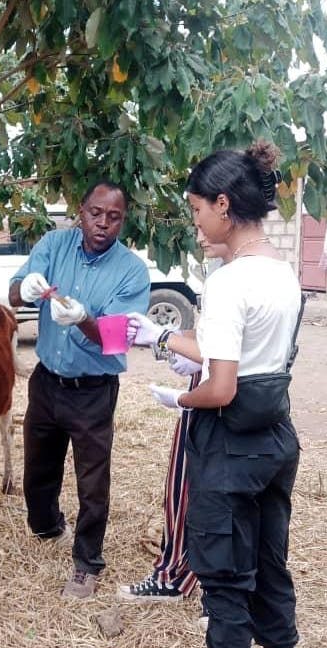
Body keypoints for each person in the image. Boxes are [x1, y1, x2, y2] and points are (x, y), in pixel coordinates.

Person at [128, 141, 302, 648]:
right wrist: (161, 339)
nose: (196, 220)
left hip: (229, 445)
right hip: (275, 437)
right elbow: (236, 353)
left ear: (224, 205)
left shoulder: (227, 282)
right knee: (270, 567)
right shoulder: (283, 274)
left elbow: (221, 385)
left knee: (227, 582)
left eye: (198, 208)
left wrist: (180, 397)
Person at [8, 180, 151, 599]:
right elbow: (14, 291)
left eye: (114, 217)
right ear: (80, 210)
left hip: (92, 391)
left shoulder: (131, 271)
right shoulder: (54, 245)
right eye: (95, 213)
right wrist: (27, 287)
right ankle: (47, 524)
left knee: (92, 481)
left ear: (123, 220)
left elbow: (117, 336)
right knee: (37, 470)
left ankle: (87, 562)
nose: (103, 224)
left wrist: (85, 319)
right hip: (47, 381)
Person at [116, 239, 232, 607]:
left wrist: (166, 338)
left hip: (224, 397)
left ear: (225, 207)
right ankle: (181, 576)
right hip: (215, 386)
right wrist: (185, 350)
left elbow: (231, 355)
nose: (197, 234)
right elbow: (213, 341)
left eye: (200, 215)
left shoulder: (238, 278)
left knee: (204, 492)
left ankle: (211, 590)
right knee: (185, 484)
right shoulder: (224, 269)